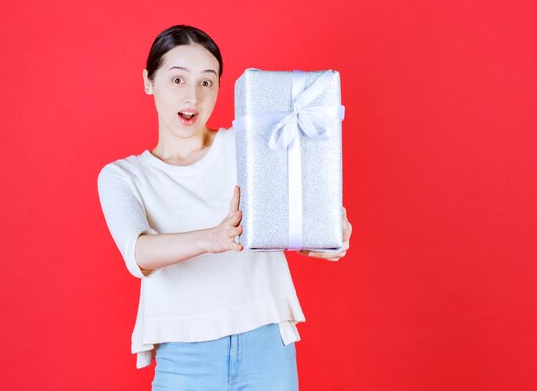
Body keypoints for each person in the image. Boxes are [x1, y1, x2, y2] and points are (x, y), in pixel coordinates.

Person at [97, 24, 352, 391]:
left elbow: (301, 203)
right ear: (148, 81)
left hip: (266, 343)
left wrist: (329, 229)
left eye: (207, 82)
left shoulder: (248, 144)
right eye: (178, 80)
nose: (194, 97)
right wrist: (211, 238)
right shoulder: (123, 176)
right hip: (183, 356)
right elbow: (138, 253)